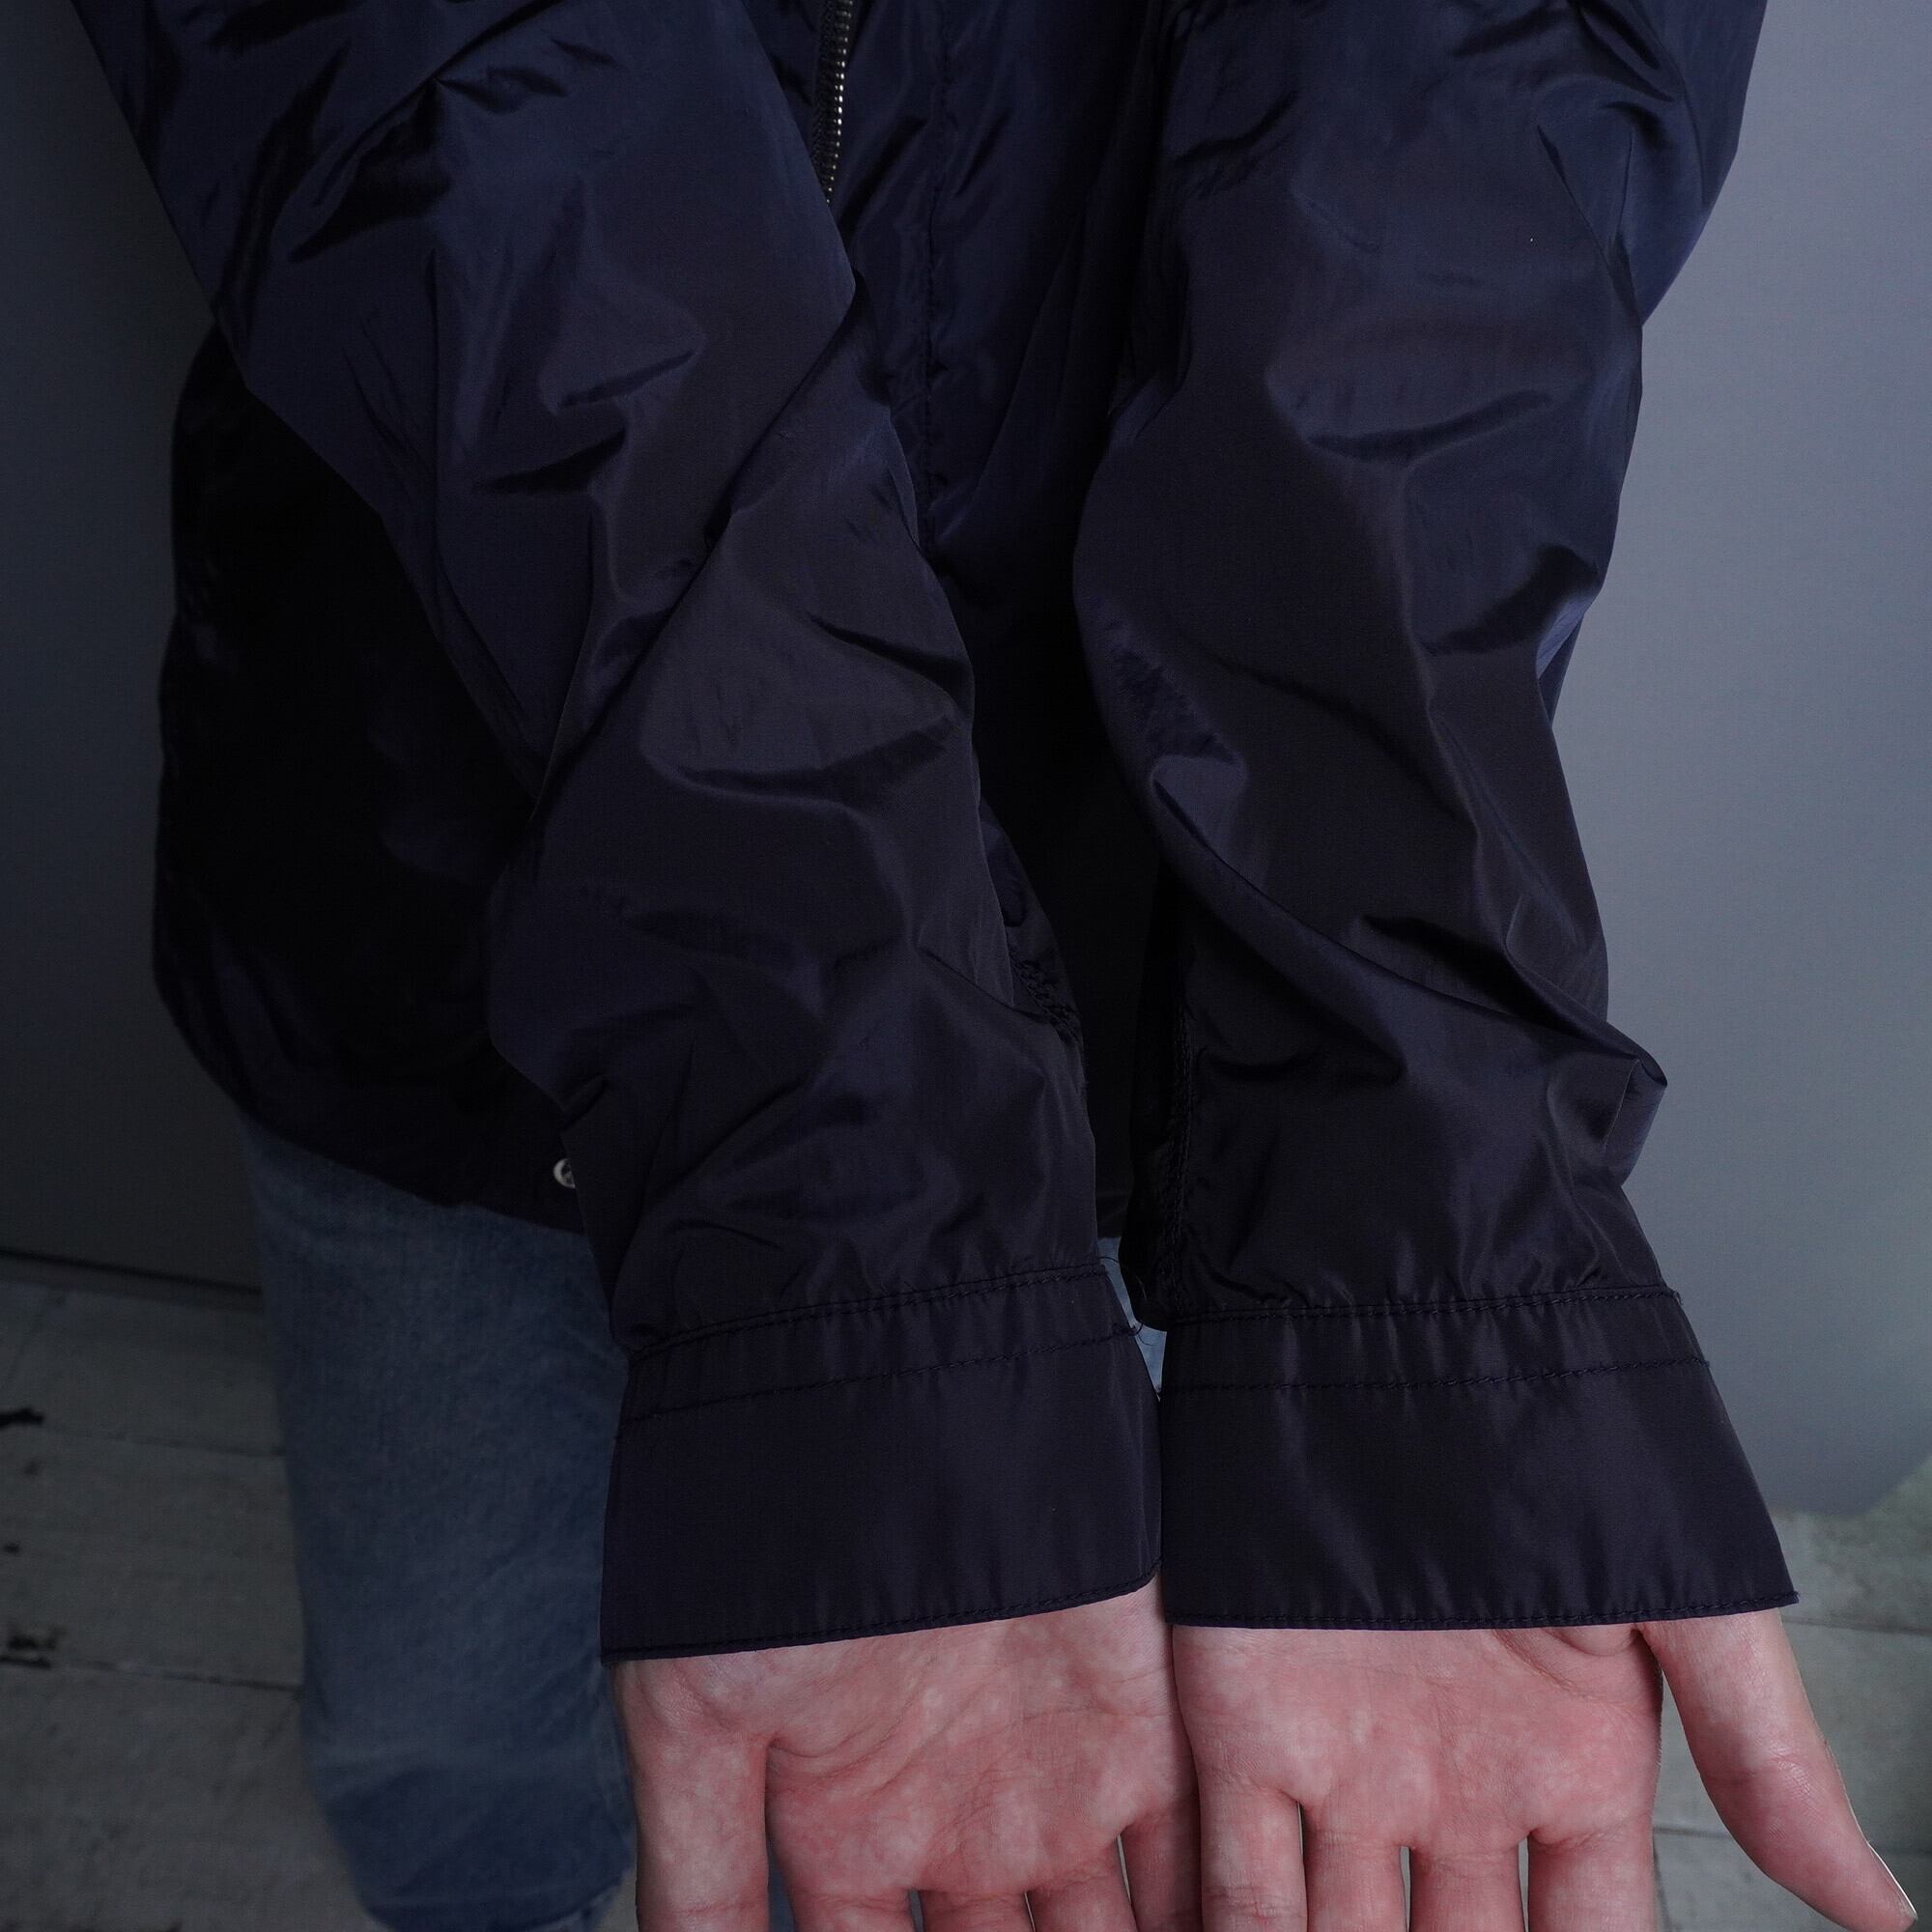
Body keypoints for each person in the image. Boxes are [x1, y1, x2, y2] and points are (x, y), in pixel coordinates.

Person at [68, 0, 1914, 1928]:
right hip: (432, 861)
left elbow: (1474, 131)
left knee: (906, 1729)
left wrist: (1406, 1231)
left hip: (1108, 982)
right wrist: (868, 1195)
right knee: (447, 1725)